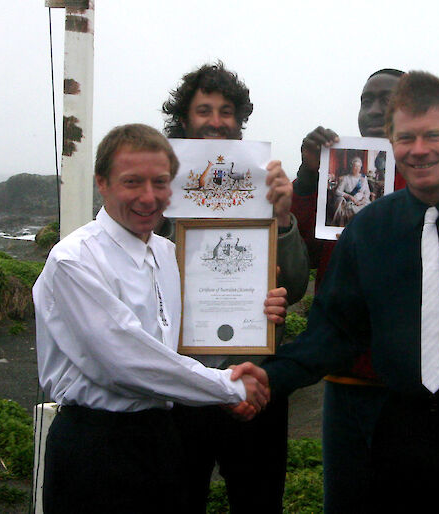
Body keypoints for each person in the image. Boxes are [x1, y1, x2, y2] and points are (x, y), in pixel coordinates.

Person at [237, 71, 439, 512]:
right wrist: (272, 376)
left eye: (434, 135)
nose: (419, 149)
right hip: (400, 426)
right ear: (391, 144)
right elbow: (335, 330)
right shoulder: (367, 228)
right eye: (406, 137)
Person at [33, 124, 270, 514]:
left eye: (160, 182)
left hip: (161, 441)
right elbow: (126, 362)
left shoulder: (166, 253)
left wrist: (257, 315)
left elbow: (177, 346)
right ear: (102, 183)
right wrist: (228, 387)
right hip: (95, 447)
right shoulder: (73, 260)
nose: (148, 197)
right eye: (132, 182)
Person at [290, 68, 439, 512]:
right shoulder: (331, 173)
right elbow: (299, 254)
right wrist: (305, 177)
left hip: (421, 383)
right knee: (347, 498)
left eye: (386, 99)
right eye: (365, 100)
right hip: (346, 376)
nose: (373, 110)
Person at [161, 61, 309, 513]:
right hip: (179, 384)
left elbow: (298, 285)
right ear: (184, 118)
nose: (215, 120)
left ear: (239, 121)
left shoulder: (263, 182)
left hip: (252, 380)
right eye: (204, 110)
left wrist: (283, 218)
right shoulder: (158, 182)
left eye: (226, 111)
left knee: (259, 501)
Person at [331, 156, 370, 226]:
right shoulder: (346, 178)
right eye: (355, 166)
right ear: (351, 167)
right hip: (350, 202)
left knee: (369, 211)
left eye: (359, 166)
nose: (357, 168)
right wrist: (350, 197)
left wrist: (363, 200)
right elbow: (338, 191)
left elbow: (367, 192)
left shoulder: (364, 178)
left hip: (362, 202)